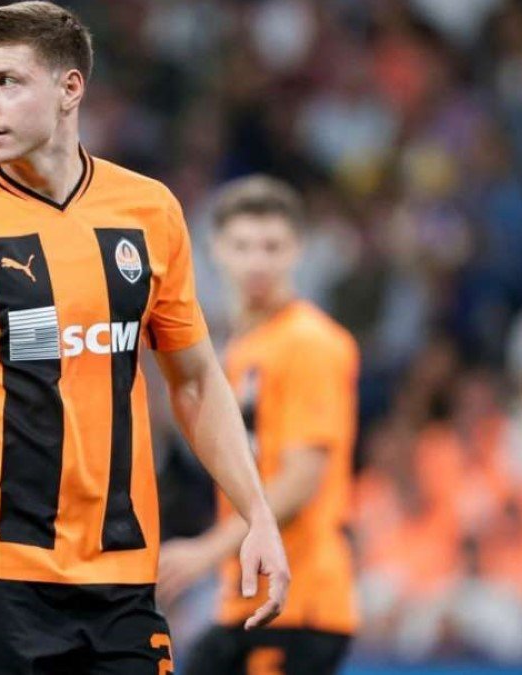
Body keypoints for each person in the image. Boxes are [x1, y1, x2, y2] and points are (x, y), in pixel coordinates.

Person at [0, 3, 289, 674]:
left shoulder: (149, 210)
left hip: (122, 574)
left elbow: (195, 380)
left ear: (70, 89)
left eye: (7, 82)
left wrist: (256, 513)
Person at [157, 176, 359, 675]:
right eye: (242, 246)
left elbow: (302, 477)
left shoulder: (310, 342)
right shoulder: (241, 348)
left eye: (272, 247)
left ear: (298, 250)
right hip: (250, 600)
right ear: (216, 251)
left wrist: (206, 551)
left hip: (300, 602)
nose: (257, 262)